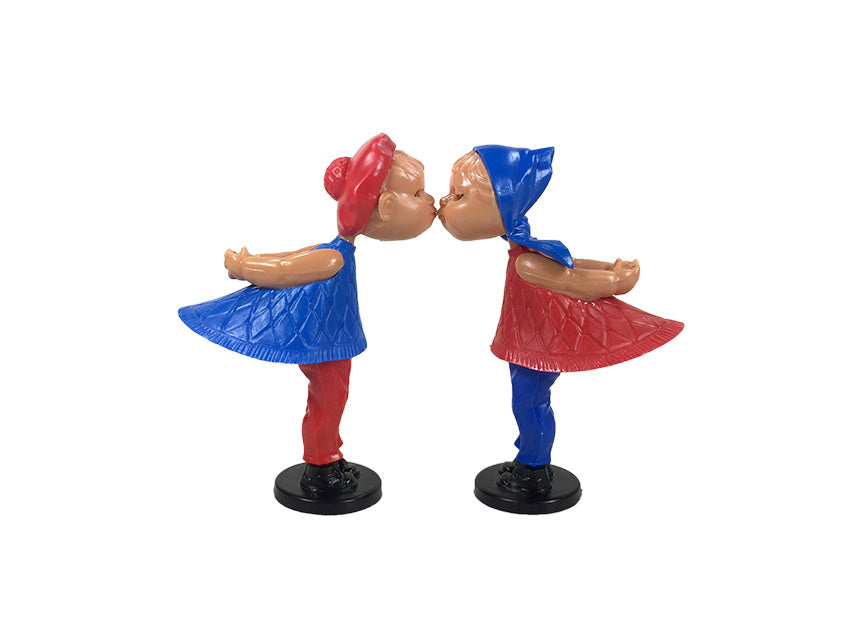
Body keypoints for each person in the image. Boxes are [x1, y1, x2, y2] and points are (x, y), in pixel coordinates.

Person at [179, 134, 436, 513]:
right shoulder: (334, 257)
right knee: (328, 402)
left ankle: (328, 456)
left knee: (331, 399)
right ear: (385, 206)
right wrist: (244, 266)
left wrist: (251, 262)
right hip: (325, 344)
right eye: (417, 194)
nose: (430, 201)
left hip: (332, 341)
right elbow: (285, 269)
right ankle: (320, 464)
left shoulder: (335, 250)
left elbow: (290, 258)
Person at [437, 145, 683, 513]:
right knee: (530, 402)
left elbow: (571, 279)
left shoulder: (527, 263)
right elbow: (570, 265)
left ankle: (534, 466)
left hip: (536, 349)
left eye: (459, 195)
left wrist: (614, 280)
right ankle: (530, 458)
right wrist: (608, 269)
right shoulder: (526, 252)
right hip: (528, 343)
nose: (444, 202)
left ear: (500, 204)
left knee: (530, 403)